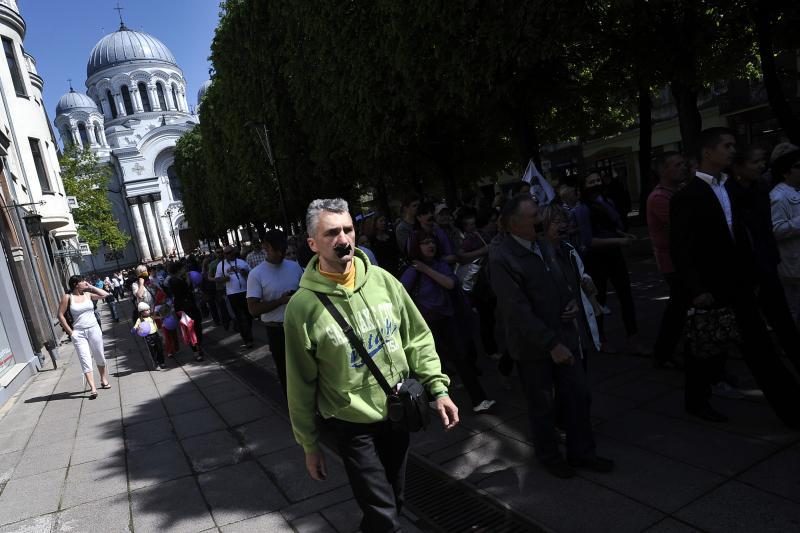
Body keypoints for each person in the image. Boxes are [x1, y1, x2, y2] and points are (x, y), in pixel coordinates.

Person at [285, 198, 459, 532]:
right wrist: (310, 445)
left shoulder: (383, 281)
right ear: (312, 243)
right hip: (351, 426)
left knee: (395, 500)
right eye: (332, 233)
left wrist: (438, 389)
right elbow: (300, 383)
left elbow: (417, 338)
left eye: (348, 229)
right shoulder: (302, 308)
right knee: (382, 514)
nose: (343, 239)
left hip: (398, 413)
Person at [671, 127, 800, 426]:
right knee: (706, 350)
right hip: (712, 287)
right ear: (708, 152)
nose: (732, 151)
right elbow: (682, 248)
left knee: (760, 350)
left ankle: (792, 411)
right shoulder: (688, 195)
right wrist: (696, 289)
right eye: (727, 146)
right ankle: (696, 400)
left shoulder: (731, 188)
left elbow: (742, 234)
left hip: (741, 283)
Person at [489, 194, 612, 479]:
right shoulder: (501, 258)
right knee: (542, 405)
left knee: (578, 396)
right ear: (512, 223)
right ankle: (549, 456)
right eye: (533, 216)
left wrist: (569, 302)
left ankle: (582, 453)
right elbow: (516, 310)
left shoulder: (544, 244)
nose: (540, 220)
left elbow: (561, 279)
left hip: (563, 336)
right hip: (535, 347)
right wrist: (551, 344)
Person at [401, 229, 495, 413]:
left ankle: (479, 400)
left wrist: (426, 269)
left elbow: (450, 284)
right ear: (416, 247)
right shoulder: (412, 270)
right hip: (425, 325)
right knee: (429, 362)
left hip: (446, 319)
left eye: (432, 242)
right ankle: (429, 399)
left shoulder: (438, 264)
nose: (431, 245)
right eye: (425, 242)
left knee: (461, 359)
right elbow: (400, 293)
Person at [730, 144, 800, 374]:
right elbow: (772, 229)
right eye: (755, 161)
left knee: (784, 318)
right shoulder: (772, 196)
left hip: (771, 263)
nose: (761, 165)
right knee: (782, 315)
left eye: (763, 160)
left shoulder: (761, 189)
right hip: (764, 267)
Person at [574, 170, 643, 354]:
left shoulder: (607, 202)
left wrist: (622, 235)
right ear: (583, 187)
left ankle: (633, 337)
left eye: (598, 180)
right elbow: (589, 241)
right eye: (591, 182)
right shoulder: (582, 209)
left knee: (626, 296)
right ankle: (600, 339)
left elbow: (611, 227)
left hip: (614, 256)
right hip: (596, 259)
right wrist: (619, 241)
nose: (596, 184)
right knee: (599, 299)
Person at [246, 230, 303, 394]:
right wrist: (280, 301)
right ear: (266, 247)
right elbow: (253, 309)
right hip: (277, 330)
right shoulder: (256, 274)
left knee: (308, 370)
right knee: (286, 374)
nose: (280, 255)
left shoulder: (294, 267)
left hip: (299, 327)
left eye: (283, 250)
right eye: (275, 250)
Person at [647, 151, 689, 369]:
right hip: (673, 262)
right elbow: (683, 225)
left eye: (683, 163)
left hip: (681, 260)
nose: (683, 167)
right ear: (664, 170)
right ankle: (663, 353)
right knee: (678, 309)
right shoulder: (659, 198)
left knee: (680, 308)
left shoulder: (676, 191)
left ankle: (666, 351)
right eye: (677, 164)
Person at [57, 275, 111, 399]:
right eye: (82, 281)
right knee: (85, 359)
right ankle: (92, 387)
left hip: (94, 329)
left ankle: (103, 379)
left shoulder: (88, 295)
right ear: (76, 284)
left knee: (100, 355)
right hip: (79, 333)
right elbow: (60, 315)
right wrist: (71, 333)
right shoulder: (68, 297)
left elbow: (105, 295)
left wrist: (91, 287)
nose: (85, 283)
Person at [769, 143, 800, 324]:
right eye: (797, 166)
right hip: (792, 266)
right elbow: (775, 229)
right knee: (794, 310)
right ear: (785, 171)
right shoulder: (778, 196)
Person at [216, 245, 254, 349]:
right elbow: (217, 279)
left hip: (245, 292)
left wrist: (245, 272)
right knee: (240, 317)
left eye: (231, 252)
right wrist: (224, 279)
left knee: (248, 315)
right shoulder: (221, 265)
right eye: (227, 253)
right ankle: (247, 339)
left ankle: (248, 333)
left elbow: (251, 274)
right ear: (224, 255)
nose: (230, 254)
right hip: (232, 294)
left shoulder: (242, 262)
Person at [168, 262, 205, 361]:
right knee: (189, 329)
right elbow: (183, 291)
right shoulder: (173, 281)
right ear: (178, 270)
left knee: (197, 326)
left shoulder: (181, 278)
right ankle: (196, 351)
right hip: (182, 308)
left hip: (191, 306)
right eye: (183, 268)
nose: (185, 270)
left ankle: (198, 346)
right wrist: (188, 281)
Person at [134, 301, 166, 369]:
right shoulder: (140, 319)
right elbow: (136, 326)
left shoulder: (151, 317)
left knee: (159, 349)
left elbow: (158, 317)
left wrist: (162, 316)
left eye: (149, 309)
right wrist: (135, 329)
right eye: (147, 310)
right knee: (152, 351)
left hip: (155, 334)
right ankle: (156, 363)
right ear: (142, 312)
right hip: (148, 337)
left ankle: (162, 362)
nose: (149, 310)